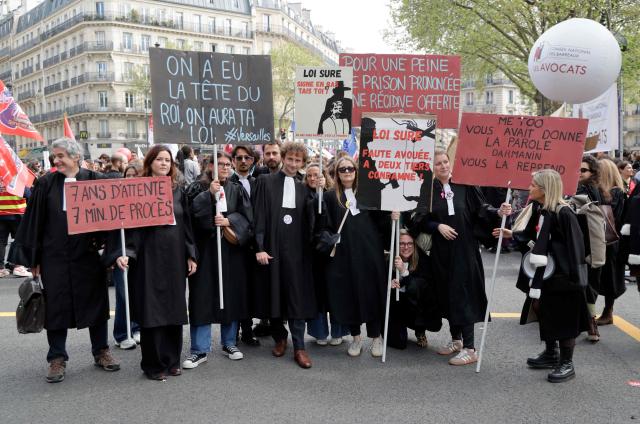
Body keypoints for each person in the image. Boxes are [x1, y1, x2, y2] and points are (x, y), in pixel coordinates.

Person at [10, 137, 119, 383]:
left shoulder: (97, 181)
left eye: (60, 156)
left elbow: (113, 218)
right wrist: (34, 258)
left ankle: (101, 351)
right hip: (54, 256)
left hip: (88, 255)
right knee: (56, 308)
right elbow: (34, 222)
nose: (55, 160)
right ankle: (57, 358)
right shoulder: (46, 184)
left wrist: (110, 251)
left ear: (76, 157)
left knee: (96, 304)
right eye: (54, 156)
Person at [113, 144, 197, 381]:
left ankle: (172, 360)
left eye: (167, 161)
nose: (164, 163)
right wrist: (126, 252)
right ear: (149, 163)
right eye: (159, 159)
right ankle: (153, 364)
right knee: (152, 312)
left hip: (174, 257)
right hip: (148, 258)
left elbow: (186, 225)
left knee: (174, 309)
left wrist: (190, 254)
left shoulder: (179, 190)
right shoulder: (137, 190)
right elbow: (128, 227)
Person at [496, 169, 589, 383]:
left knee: (564, 318)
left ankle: (567, 362)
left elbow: (575, 248)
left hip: (563, 277)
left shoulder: (564, 213)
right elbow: (534, 239)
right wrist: (514, 235)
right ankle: (550, 353)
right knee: (545, 312)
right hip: (544, 275)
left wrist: (573, 279)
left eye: (533, 185)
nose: (529, 188)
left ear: (545, 189)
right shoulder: (541, 209)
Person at [417, 150, 506, 366]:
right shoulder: (427, 190)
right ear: (432, 168)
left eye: (445, 162)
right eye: (438, 164)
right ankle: (456, 340)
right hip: (442, 251)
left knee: (463, 293)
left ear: (451, 163)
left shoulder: (464, 185)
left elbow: (482, 210)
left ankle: (470, 348)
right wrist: (438, 226)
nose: (443, 166)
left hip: (465, 249)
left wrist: (498, 211)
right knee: (446, 293)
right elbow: (420, 219)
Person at [183, 152, 253, 368]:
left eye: (227, 164)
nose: (224, 167)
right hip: (205, 251)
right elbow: (189, 217)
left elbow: (247, 217)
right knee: (202, 297)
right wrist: (207, 196)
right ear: (210, 165)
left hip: (229, 251)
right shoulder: (197, 187)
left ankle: (229, 342)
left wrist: (228, 220)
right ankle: (199, 349)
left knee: (230, 295)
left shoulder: (236, 189)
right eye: (220, 164)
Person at [252, 141, 317, 369]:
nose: (292, 164)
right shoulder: (265, 182)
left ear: (303, 163)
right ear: (283, 158)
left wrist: (316, 194)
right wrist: (259, 246)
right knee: (275, 295)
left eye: (298, 161)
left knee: (297, 298)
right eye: (290, 159)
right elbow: (258, 216)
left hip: (298, 252)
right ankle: (280, 338)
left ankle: (299, 346)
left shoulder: (304, 187)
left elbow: (312, 223)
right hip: (273, 247)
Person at [318, 156, 388, 357]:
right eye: (342, 169)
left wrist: (393, 216)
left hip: (369, 252)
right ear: (337, 174)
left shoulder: (369, 193)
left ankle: (376, 337)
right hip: (344, 254)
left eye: (350, 168)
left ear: (356, 171)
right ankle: (356, 338)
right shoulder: (331, 197)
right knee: (350, 295)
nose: (347, 172)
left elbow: (381, 222)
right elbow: (325, 226)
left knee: (371, 293)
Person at [304, 162, 348, 346]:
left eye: (317, 175)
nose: (313, 178)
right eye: (309, 176)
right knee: (318, 295)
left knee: (336, 292)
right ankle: (320, 332)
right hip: (313, 253)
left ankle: (339, 330)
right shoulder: (303, 195)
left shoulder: (333, 195)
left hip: (332, 250)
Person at [387, 230, 441, 349]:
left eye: (409, 243)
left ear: (414, 244)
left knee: (416, 291)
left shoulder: (424, 261)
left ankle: (419, 329)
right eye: (402, 243)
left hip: (416, 306)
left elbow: (420, 288)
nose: (406, 247)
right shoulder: (389, 260)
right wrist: (389, 284)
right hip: (396, 307)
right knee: (398, 343)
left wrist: (403, 272)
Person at [229, 145, 260, 346]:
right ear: (233, 161)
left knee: (252, 289)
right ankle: (236, 332)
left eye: (247, 157)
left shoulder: (258, 183)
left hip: (256, 244)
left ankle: (249, 330)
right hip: (235, 243)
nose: (243, 161)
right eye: (238, 157)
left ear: (252, 161)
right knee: (237, 290)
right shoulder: (226, 183)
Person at [111, 164, 141, 350]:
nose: (130, 179)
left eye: (134, 175)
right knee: (123, 296)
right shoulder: (116, 199)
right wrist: (116, 255)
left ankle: (136, 327)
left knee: (137, 293)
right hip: (121, 253)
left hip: (140, 254)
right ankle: (121, 334)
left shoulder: (146, 199)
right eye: (127, 175)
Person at [595, 159, 626, 325]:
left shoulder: (616, 193)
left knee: (610, 276)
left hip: (610, 240)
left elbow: (612, 216)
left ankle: (608, 311)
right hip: (606, 239)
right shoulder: (606, 192)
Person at [576, 155, 603, 342]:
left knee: (588, 284)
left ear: (592, 172)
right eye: (577, 169)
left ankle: (591, 322)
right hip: (580, 242)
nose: (579, 173)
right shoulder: (589, 189)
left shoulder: (590, 190)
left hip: (589, 244)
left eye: (583, 170)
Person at [0, 183, 32, 278]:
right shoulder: (17, 178)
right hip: (17, 212)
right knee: (19, 240)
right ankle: (18, 266)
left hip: (1, 213)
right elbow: (28, 194)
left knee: (1, 241)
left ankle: (0, 268)